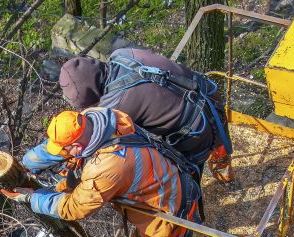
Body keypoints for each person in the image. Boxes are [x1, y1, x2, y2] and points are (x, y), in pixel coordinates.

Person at [6, 108, 202, 237]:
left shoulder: (108, 166)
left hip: (167, 207)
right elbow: (54, 148)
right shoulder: (96, 118)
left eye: (65, 149)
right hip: (161, 178)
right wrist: (24, 164)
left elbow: (75, 208)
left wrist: (33, 198)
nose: (62, 154)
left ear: (78, 145)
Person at [24, 48, 233, 184]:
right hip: (209, 99)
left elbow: (80, 136)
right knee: (215, 136)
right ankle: (223, 169)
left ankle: (191, 212)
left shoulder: (116, 105)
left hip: (196, 134)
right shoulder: (122, 55)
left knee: (185, 176)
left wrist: (31, 161)